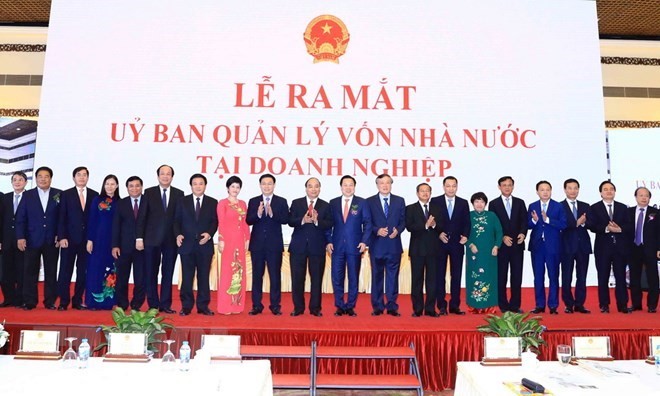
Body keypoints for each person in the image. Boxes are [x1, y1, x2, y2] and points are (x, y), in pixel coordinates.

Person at [137, 164, 184, 313]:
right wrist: (139, 237)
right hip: (151, 240)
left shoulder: (179, 194)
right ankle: (153, 304)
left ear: (172, 176)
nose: (165, 176)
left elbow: (180, 218)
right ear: (158, 176)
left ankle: (165, 304)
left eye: (168, 174)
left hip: (171, 240)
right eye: (162, 173)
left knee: (168, 273)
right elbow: (142, 217)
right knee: (151, 273)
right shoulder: (149, 193)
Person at [16, 166, 62, 310]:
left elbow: (62, 218)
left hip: (51, 240)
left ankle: (50, 302)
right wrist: (20, 237)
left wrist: (60, 236)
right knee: (30, 271)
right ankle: (30, 301)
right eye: (40, 176)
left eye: (46, 176)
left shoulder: (58, 194)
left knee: (51, 272)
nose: (43, 179)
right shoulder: (27, 195)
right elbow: (20, 218)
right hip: (31, 239)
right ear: (36, 178)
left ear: (50, 178)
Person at [326, 175, 371, 317]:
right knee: (337, 277)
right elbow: (328, 225)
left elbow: (368, 223)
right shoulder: (332, 203)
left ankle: (351, 306)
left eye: (351, 185)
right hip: (337, 246)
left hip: (355, 246)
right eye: (345, 185)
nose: (348, 187)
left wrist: (364, 241)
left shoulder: (361, 202)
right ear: (341, 187)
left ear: (354, 187)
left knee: (353, 277)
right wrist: (328, 241)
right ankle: (339, 305)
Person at [288, 177, 333, 317]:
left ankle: (315, 308)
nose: (313, 189)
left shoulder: (326, 205)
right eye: (310, 186)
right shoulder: (297, 203)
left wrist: (317, 221)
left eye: (316, 186)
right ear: (306, 188)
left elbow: (330, 223)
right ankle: (298, 308)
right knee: (297, 279)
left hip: (317, 247)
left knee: (316, 279)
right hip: (298, 247)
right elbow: (289, 221)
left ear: (320, 188)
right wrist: (303, 220)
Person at [56, 166, 99, 310]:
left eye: (84, 175)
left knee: (83, 272)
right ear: (73, 177)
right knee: (65, 272)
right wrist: (61, 237)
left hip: (86, 242)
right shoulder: (66, 194)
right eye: (79, 175)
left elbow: (95, 220)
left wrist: (92, 239)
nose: (82, 177)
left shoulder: (95, 195)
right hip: (69, 240)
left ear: (88, 177)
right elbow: (61, 217)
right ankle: (63, 301)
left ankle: (77, 300)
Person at [175, 174, 218, 316]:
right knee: (187, 277)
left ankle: (203, 306)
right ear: (191, 186)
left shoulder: (212, 202)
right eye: (195, 183)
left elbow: (214, 222)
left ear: (205, 185)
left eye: (201, 183)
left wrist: (209, 234)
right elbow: (176, 221)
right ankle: (186, 306)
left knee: (203, 277)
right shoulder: (182, 201)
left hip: (204, 245)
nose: (198, 186)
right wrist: (178, 234)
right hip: (186, 245)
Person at [246, 173, 289, 316]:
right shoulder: (253, 201)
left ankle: (275, 306)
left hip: (274, 245)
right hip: (257, 245)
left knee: (275, 276)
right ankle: (256, 305)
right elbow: (248, 220)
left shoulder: (281, 201)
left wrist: (272, 214)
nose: (267, 186)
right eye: (264, 183)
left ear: (274, 185)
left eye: (269, 183)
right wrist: (258, 214)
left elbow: (285, 220)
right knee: (257, 276)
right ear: (260, 185)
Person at [587, 180, 630, 314]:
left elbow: (629, 225)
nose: (609, 191)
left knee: (620, 277)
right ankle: (604, 304)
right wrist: (606, 228)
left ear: (615, 192)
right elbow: (591, 225)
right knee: (603, 276)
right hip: (602, 248)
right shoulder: (594, 208)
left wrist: (620, 229)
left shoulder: (623, 207)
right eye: (605, 189)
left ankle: (622, 304)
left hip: (620, 248)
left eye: (611, 189)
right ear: (601, 193)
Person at [366, 174, 406, 317]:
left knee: (392, 278)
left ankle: (392, 306)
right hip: (377, 246)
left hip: (394, 245)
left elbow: (403, 221)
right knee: (377, 277)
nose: (385, 185)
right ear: (377, 185)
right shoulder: (369, 202)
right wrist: (377, 230)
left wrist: (398, 230)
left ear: (391, 184)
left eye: (387, 183)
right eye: (381, 183)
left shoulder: (399, 201)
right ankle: (377, 306)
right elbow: (366, 222)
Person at [431, 176, 470, 315]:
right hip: (440, 243)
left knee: (456, 275)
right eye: (448, 186)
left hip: (457, 244)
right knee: (439, 275)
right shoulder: (435, 201)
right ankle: (441, 305)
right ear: (443, 187)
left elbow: (467, 222)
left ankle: (455, 305)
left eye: (454, 186)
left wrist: (465, 235)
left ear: (457, 187)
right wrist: (438, 233)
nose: (451, 188)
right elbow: (432, 221)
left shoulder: (463, 203)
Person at [488, 176, 527, 313]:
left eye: (509, 185)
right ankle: (503, 305)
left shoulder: (520, 202)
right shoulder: (493, 204)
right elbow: (492, 224)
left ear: (513, 186)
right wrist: (502, 237)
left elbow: (524, 221)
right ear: (499, 187)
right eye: (504, 185)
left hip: (517, 245)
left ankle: (515, 305)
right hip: (501, 246)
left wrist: (523, 233)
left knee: (517, 276)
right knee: (501, 277)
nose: (507, 187)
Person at [527, 180, 566, 314]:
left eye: (547, 189)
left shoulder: (558, 206)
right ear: (537, 191)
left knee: (553, 276)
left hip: (553, 246)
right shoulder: (532, 205)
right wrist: (534, 220)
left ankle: (553, 305)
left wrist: (547, 220)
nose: (545, 192)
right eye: (542, 190)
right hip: (537, 246)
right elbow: (528, 224)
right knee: (538, 276)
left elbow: (563, 224)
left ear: (551, 191)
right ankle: (540, 305)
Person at [405, 183, 442, 317]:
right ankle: (418, 309)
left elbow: (442, 226)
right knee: (417, 280)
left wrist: (435, 224)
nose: (425, 193)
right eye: (422, 191)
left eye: (427, 191)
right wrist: (425, 225)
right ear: (417, 193)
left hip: (434, 250)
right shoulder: (410, 208)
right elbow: (409, 227)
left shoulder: (437, 208)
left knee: (432, 281)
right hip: (417, 250)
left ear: (430, 193)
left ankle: (430, 309)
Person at [112, 176, 147, 311]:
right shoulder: (121, 203)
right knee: (122, 277)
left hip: (142, 247)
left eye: (137, 185)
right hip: (123, 247)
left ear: (141, 187)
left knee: (140, 278)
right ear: (127, 188)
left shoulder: (147, 201)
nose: (134, 188)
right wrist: (115, 245)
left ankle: (136, 304)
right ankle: (122, 303)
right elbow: (116, 225)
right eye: (131, 186)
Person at [85, 174, 120, 310]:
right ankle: (92, 302)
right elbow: (92, 220)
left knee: (111, 271)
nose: (109, 186)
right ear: (103, 185)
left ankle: (108, 302)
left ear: (117, 186)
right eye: (107, 184)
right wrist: (90, 239)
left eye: (112, 184)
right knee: (95, 270)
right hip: (98, 240)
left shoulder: (120, 202)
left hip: (113, 241)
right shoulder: (96, 200)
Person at [216, 175, 250, 314]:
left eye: (237, 187)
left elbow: (245, 223)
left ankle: (237, 304)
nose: (235, 189)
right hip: (228, 241)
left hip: (240, 241)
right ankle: (225, 306)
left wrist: (247, 239)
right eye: (232, 187)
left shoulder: (242, 203)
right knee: (228, 272)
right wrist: (221, 239)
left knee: (239, 272)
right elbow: (221, 222)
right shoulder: (222, 203)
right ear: (227, 188)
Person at [465, 192, 503, 314]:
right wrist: (470, 244)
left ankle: (490, 306)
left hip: (490, 253)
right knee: (474, 277)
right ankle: (475, 306)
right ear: (472, 203)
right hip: (474, 253)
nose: (479, 204)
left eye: (482, 201)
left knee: (489, 277)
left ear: (485, 203)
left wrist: (497, 246)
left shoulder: (492, 216)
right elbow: (462, 234)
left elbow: (499, 232)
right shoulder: (468, 216)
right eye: (476, 201)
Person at [559, 179, 593, 314]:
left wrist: (584, 223)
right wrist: (577, 222)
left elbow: (592, 223)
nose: (573, 191)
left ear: (578, 190)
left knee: (582, 276)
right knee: (566, 277)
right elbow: (561, 225)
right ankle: (568, 304)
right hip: (566, 246)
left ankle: (580, 304)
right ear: (565, 190)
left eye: (575, 188)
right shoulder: (559, 206)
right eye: (570, 188)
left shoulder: (586, 206)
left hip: (582, 246)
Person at [625, 187, 659, 313]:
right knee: (634, 278)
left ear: (649, 198)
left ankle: (652, 305)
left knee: (653, 278)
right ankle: (636, 304)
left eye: (646, 196)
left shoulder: (656, 213)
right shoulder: (628, 212)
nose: (644, 198)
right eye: (641, 195)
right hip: (633, 249)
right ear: (636, 197)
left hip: (650, 249)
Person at [0, 171, 27, 307]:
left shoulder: (30, 197)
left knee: (21, 271)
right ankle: (8, 298)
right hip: (6, 241)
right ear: (11, 182)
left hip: (23, 241)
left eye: (20, 179)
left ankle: (20, 299)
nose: (17, 182)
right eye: (15, 180)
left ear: (25, 182)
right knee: (6, 272)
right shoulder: (4, 198)